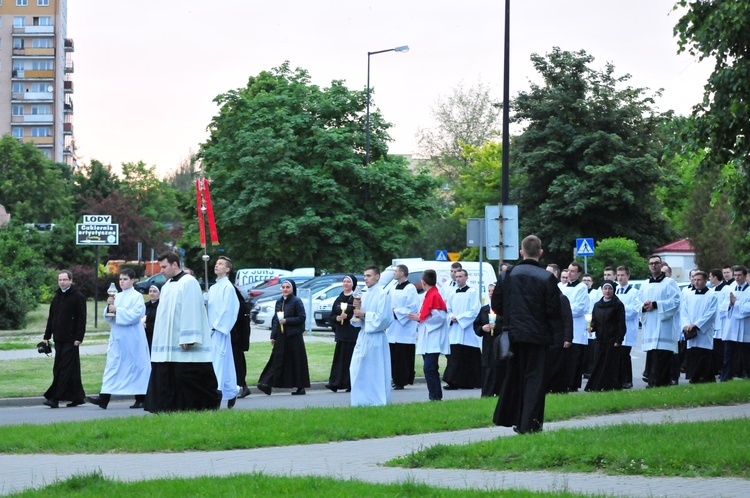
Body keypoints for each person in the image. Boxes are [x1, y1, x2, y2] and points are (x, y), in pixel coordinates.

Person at [492, 235, 561, 434]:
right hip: (538, 337)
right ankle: (530, 424)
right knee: (535, 380)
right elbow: (554, 310)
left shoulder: (507, 275)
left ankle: (514, 418)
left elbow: (496, 305)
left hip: (513, 335)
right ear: (540, 252)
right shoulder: (547, 278)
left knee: (515, 377)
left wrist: (512, 316)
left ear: (521, 252)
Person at [145, 252, 220, 413]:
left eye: (164, 267)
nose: (162, 270)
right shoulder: (166, 286)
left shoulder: (189, 282)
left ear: (174, 264)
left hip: (183, 341)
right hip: (168, 342)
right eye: (160, 267)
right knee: (170, 375)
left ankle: (203, 404)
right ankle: (169, 407)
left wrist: (188, 337)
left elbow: (191, 310)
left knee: (187, 376)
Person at [87, 269, 151, 409]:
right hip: (118, 337)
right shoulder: (117, 296)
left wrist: (117, 310)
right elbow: (109, 317)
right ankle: (104, 398)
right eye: (120, 279)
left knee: (136, 367)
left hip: (132, 337)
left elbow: (136, 315)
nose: (122, 281)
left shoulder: (137, 296)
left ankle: (141, 398)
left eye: (125, 279)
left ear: (132, 280)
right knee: (113, 365)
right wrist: (109, 306)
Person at [42, 270, 87, 409]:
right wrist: (46, 336)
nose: (62, 282)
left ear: (71, 280)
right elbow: (52, 318)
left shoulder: (77, 296)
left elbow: (81, 319)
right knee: (69, 369)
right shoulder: (57, 297)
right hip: (59, 338)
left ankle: (54, 398)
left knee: (63, 369)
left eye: (64, 279)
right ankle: (78, 397)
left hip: (72, 339)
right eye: (60, 280)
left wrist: (79, 338)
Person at [257, 279, 310, 395]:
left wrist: (287, 321)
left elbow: (302, 318)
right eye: (283, 287)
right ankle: (267, 383)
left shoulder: (297, 301)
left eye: (287, 287)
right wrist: (273, 335)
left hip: (294, 336)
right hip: (281, 336)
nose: (285, 289)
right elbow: (276, 320)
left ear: (292, 289)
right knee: (276, 359)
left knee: (296, 361)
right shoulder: (279, 302)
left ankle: (300, 386)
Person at [349, 265, 393, 406]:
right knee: (356, 368)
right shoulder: (364, 293)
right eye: (365, 275)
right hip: (363, 336)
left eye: (368, 275)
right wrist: (357, 311)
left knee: (375, 370)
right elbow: (359, 319)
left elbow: (384, 318)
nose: (365, 278)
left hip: (376, 338)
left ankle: (375, 400)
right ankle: (360, 400)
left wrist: (365, 314)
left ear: (377, 276)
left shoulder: (382, 294)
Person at [639, 255, 681, 388]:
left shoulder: (669, 283)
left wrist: (656, 305)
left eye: (656, 263)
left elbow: (675, 301)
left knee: (662, 356)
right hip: (650, 325)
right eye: (651, 263)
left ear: (661, 264)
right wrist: (644, 306)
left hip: (664, 326)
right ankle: (652, 382)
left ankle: (662, 383)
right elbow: (637, 301)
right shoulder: (645, 284)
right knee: (652, 356)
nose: (653, 265)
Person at [409, 269, 450, 401]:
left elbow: (440, 317)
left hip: (434, 338)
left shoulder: (434, 296)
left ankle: (435, 396)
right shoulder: (430, 294)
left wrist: (420, 318)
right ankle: (435, 395)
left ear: (423, 282)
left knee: (429, 368)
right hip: (428, 337)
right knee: (430, 368)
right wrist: (420, 317)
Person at [207, 256, 239, 408]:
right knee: (222, 364)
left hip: (219, 331)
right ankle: (232, 391)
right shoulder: (213, 288)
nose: (216, 265)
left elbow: (229, 310)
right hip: (211, 331)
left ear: (227, 269)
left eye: (220, 264)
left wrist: (216, 327)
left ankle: (216, 397)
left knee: (218, 364)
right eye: (216, 263)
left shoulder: (228, 288)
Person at [443, 269, 482, 389]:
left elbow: (475, 311)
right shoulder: (452, 293)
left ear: (466, 277)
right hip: (454, 330)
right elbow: (447, 310)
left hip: (467, 329)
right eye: (457, 276)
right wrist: (451, 317)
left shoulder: (472, 292)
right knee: (455, 357)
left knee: (468, 357)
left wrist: (459, 318)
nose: (458, 278)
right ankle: (453, 381)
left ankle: (471, 382)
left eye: (460, 276)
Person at [585, 280, 626, 391]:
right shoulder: (597, 305)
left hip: (612, 340)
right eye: (605, 289)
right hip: (600, 339)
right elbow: (595, 321)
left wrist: (619, 339)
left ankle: (611, 386)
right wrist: (591, 328)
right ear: (602, 290)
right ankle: (597, 386)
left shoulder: (618, 305)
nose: (607, 291)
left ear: (613, 290)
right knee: (598, 363)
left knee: (611, 364)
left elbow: (621, 323)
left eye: (610, 289)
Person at [680, 271, 718, 383]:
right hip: (690, 330)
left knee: (704, 354)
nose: (696, 282)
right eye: (694, 280)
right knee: (693, 353)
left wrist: (696, 325)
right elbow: (684, 311)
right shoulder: (689, 295)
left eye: (699, 280)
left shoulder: (712, 295)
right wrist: (686, 325)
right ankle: (694, 377)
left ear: (705, 281)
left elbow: (711, 313)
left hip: (704, 331)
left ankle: (705, 378)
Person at [386, 265, 420, 390]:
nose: (394, 273)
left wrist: (397, 312)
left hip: (404, 327)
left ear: (402, 273)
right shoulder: (394, 287)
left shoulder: (410, 288)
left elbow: (413, 307)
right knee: (394, 355)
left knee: (403, 356)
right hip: (393, 327)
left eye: (396, 271)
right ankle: (395, 378)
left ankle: (402, 380)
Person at [325, 274, 360, 392]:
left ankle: (350, 384)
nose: (345, 284)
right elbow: (332, 315)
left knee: (350, 360)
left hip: (352, 334)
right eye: (344, 281)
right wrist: (337, 318)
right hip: (341, 334)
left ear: (353, 284)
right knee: (339, 360)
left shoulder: (356, 298)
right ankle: (335, 383)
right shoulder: (339, 298)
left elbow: (358, 313)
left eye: (348, 282)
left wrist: (348, 315)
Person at [544, 265, 573, 394]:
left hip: (559, 336)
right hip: (547, 336)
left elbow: (567, 319)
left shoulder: (561, 298)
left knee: (558, 364)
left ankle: (558, 388)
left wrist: (567, 338)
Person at [560, 261, 589, 392]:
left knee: (575, 357)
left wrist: (564, 311)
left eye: (572, 271)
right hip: (564, 326)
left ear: (578, 273)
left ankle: (573, 384)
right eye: (568, 270)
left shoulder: (582, 287)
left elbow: (580, 308)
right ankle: (564, 382)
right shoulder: (562, 287)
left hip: (576, 326)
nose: (569, 273)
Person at [473, 283, 506, 397]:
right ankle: (487, 393)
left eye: (494, 291)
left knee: (499, 367)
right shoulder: (484, 309)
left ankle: (500, 392)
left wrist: (496, 327)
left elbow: (509, 326)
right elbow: (476, 325)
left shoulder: (504, 309)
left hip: (500, 343)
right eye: (489, 291)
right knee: (487, 368)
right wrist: (482, 328)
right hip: (487, 343)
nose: (491, 293)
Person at [719, 265, 750, 381]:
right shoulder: (730, 289)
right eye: (735, 275)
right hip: (731, 327)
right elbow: (722, 306)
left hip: (744, 327)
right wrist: (730, 304)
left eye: (739, 275)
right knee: (728, 355)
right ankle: (725, 377)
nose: (737, 278)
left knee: (746, 356)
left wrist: (736, 303)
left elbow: (748, 309)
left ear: (745, 276)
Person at [615, 266, 641, 389]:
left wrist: (619, 311)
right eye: (618, 275)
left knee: (625, 355)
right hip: (616, 328)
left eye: (622, 275)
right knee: (617, 356)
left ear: (628, 276)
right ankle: (618, 379)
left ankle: (627, 380)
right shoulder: (615, 291)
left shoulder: (634, 292)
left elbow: (634, 311)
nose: (620, 277)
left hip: (628, 327)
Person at [143, 285, 160, 351]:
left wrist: (147, 326)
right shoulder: (145, 305)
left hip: (155, 336)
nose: (152, 293)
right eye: (150, 291)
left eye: (154, 291)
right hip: (145, 336)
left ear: (159, 294)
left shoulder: (160, 306)